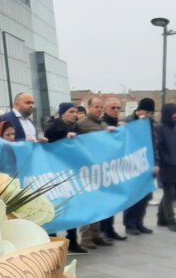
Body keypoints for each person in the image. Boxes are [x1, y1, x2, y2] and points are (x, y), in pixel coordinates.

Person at [45, 102, 86, 253]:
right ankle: (53, 238)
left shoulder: (76, 128)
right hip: (55, 172)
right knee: (55, 206)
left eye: (76, 112)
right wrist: (63, 137)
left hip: (71, 171)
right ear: (62, 113)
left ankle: (73, 240)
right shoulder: (53, 127)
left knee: (71, 205)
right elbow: (48, 145)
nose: (75, 114)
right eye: (71, 112)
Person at [76, 97, 115, 247]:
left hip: (100, 169)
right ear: (89, 107)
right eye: (96, 107)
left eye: (101, 107)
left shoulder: (103, 124)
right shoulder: (81, 124)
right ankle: (86, 237)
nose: (99, 109)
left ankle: (96, 234)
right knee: (86, 204)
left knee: (98, 203)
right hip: (85, 169)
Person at [124, 98, 160, 236]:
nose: (148, 114)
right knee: (134, 196)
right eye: (147, 111)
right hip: (133, 164)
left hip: (147, 163)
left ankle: (139, 222)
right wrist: (140, 122)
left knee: (145, 196)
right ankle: (130, 224)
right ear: (140, 110)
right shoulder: (130, 121)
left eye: (151, 112)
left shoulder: (151, 123)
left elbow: (154, 144)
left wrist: (156, 163)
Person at [156, 103, 176, 232]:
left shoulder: (175, 127)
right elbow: (158, 148)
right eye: (173, 113)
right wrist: (165, 161)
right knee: (169, 194)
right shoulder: (160, 129)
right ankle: (171, 220)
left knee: (171, 193)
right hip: (167, 166)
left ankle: (161, 217)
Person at [100, 98, 127, 240]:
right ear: (105, 109)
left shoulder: (119, 125)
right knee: (105, 202)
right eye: (113, 108)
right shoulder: (102, 124)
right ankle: (103, 230)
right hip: (104, 169)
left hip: (115, 168)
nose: (116, 110)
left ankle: (110, 229)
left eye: (118, 108)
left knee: (113, 202)